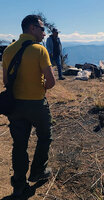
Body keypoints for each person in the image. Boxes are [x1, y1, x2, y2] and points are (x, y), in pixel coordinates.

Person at [2, 14, 55, 197]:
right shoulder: (39, 50)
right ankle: (38, 171)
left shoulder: (8, 50)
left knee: (19, 144)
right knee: (45, 137)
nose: (44, 33)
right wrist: (40, 88)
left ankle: (19, 183)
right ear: (32, 28)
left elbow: (6, 80)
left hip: (15, 106)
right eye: (42, 29)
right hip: (36, 105)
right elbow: (51, 82)